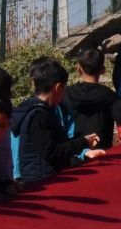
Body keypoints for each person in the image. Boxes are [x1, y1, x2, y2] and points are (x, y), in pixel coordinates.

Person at [12, 57, 103, 186]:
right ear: (58, 87)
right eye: (64, 88)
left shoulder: (40, 110)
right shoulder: (39, 115)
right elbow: (52, 152)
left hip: (41, 177)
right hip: (42, 181)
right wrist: (82, 143)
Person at [64, 47, 121, 150]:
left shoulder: (66, 95)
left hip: (73, 156)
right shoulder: (109, 96)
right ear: (102, 70)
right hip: (101, 155)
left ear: (79, 68)